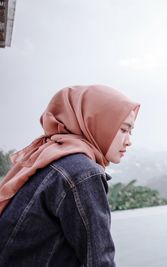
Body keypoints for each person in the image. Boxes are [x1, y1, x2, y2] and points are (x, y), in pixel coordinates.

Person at [0, 85, 140, 266]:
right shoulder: (82, 173)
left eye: (131, 131)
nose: (129, 141)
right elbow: (99, 260)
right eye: (123, 129)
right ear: (96, 123)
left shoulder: (50, 158)